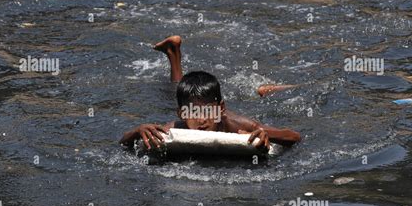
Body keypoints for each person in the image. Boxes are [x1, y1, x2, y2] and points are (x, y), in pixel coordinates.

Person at [119, 35, 301, 151]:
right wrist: (138, 130)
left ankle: (268, 90)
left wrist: (263, 133)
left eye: (208, 112)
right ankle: (172, 51)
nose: (202, 120)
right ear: (182, 115)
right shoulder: (175, 127)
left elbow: (294, 136)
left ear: (220, 109)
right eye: (193, 113)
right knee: (176, 91)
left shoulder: (236, 124)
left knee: (178, 91)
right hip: (188, 102)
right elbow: (123, 143)